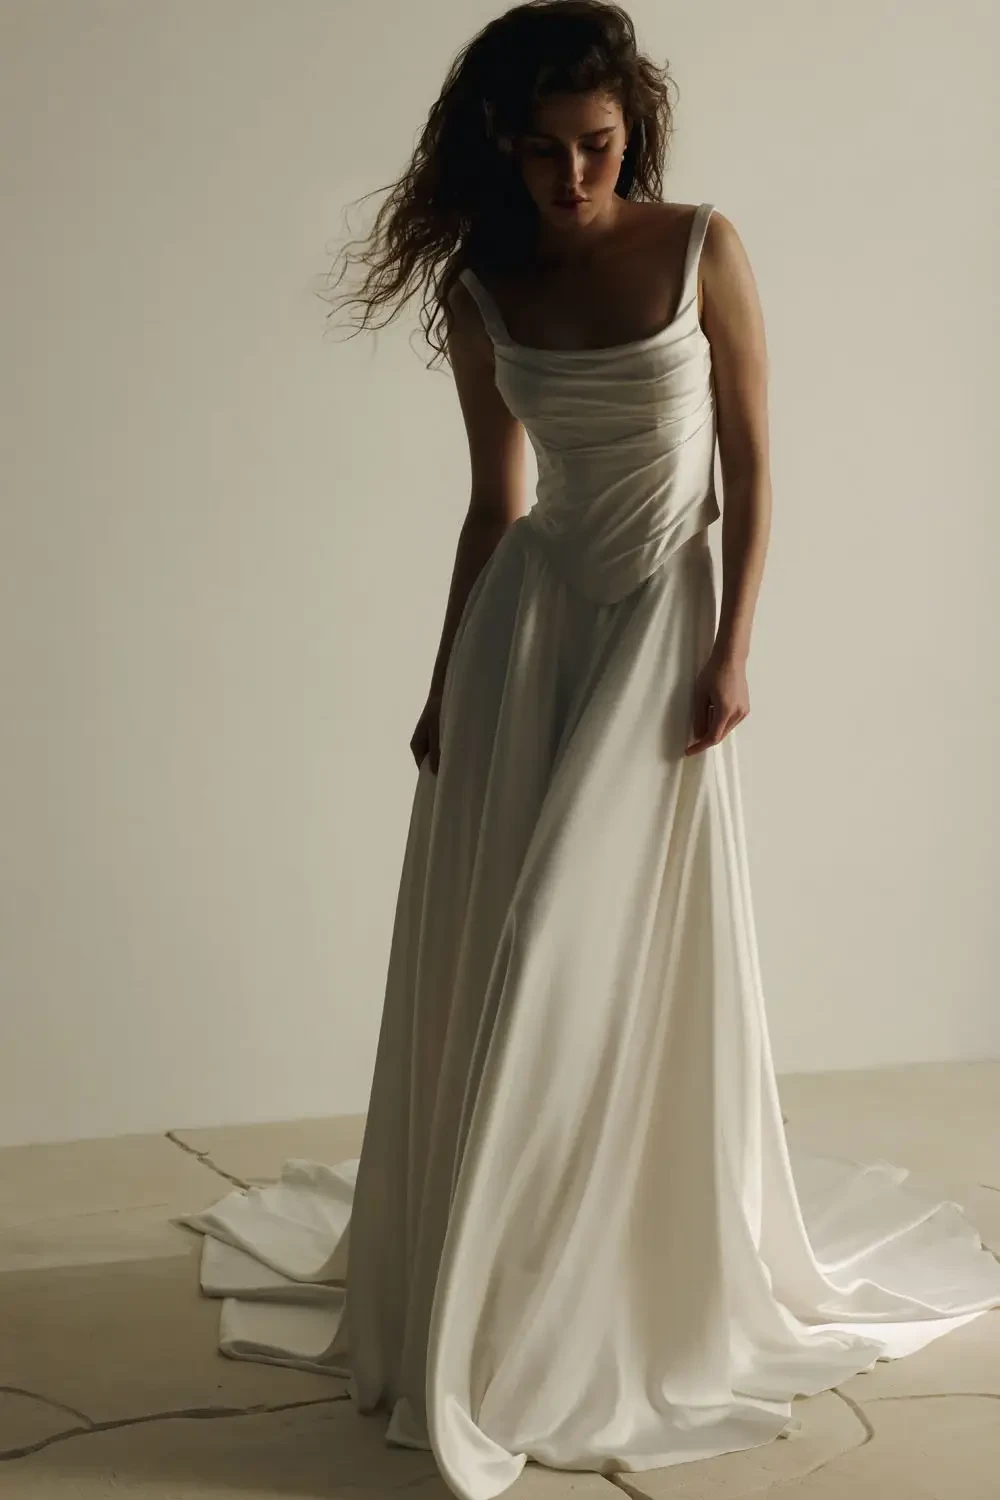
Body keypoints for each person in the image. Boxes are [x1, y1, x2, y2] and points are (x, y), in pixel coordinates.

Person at [181, 6, 1000, 1500]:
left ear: (637, 134)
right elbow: (495, 503)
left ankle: (579, 1295)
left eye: (601, 147)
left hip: (664, 627)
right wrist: (443, 685)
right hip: (534, 629)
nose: (576, 177)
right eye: (550, 151)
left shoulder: (703, 248)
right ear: (503, 142)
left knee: (586, 945)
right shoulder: (481, 289)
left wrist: (734, 644)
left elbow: (751, 461)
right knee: (509, 943)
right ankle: (495, 1288)